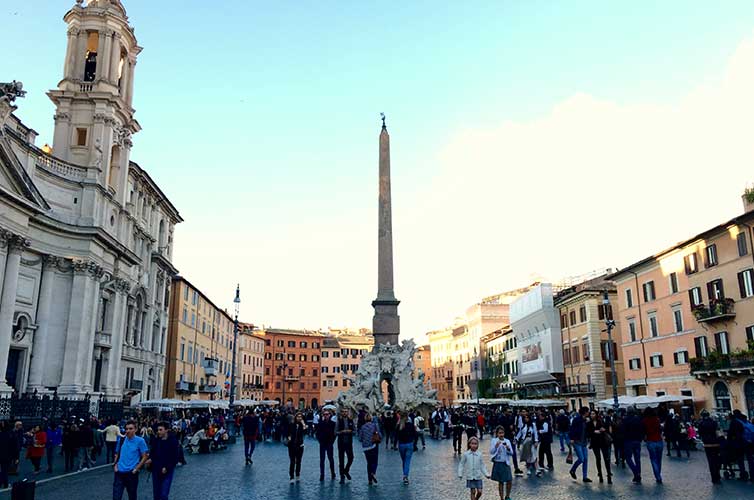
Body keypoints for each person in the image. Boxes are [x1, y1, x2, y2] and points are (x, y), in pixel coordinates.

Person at [113, 420, 149, 500]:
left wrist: (137, 468)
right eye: (126, 429)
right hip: (119, 472)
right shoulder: (121, 439)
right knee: (116, 497)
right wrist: (115, 464)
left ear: (135, 429)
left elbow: (145, 456)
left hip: (131, 473)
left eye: (130, 428)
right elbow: (117, 453)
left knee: (132, 496)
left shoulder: (140, 441)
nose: (128, 431)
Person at [149, 422, 180, 500]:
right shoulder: (156, 441)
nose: (158, 431)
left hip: (167, 471)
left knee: (164, 493)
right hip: (156, 469)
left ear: (166, 430)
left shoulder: (173, 441)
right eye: (158, 430)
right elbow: (152, 453)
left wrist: (167, 467)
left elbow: (175, 457)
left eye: (160, 430)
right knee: (156, 493)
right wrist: (150, 460)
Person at [458, 436, 489, 500]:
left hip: (478, 476)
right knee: (473, 491)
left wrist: (486, 474)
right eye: (472, 443)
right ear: (469, 444)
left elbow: (482, 465)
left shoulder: (479, 454)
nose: (474, 445)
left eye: (475, 444)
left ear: (477, 445)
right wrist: (460, 473)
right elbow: (461, 464)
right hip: (470, 476)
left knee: (479, 492)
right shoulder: (466, 454)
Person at [586, 411, 612, 484]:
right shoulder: (589, 423)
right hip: (595, 443)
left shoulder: (601, 421)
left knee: (606, 459)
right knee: (598, 459)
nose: (592, 415)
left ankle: (609, 474)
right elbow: (587, 433)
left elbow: (606, 428)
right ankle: (600, 474)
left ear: (596, 414)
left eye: (593, 414)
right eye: (591, 414)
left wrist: (603, 430)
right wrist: (594, 432)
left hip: (603, 442)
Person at [697, 410, 721, 484]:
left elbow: (700, 433)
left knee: (711, 461)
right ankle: (718, 475)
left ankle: (714, 477)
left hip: (707, 444)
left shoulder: (701, 423)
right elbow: (718, 431)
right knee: (717, 459)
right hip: (716, 443)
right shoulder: (714, 422)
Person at [489, 426, 513, 500]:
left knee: (509, 480)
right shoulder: (494, 440)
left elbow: (511, 453)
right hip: (498, 463)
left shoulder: (507, 441)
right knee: (501, 481)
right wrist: (496, 446)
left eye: (502, 433)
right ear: (497, 434)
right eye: (499, 433)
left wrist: (508, 449)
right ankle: (501, 497)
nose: (501, 435)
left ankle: (507, 496)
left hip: (505, 463)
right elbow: (491, 451)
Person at [569, 406, 592, 483]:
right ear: (585, 412)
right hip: (577, 441)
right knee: (581, 459)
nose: (589, 413)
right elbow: (572, 429)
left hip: (584, 442)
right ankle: (573, 470)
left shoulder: (587, 420)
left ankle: (585, 477)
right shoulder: (577, 419)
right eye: (588, 411)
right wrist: (571, 438)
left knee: (585, 459)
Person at [621, 407, 644, 483]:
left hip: (628, 441)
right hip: (637, 441)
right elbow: (641, 429)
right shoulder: (638, 419)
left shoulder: (625, 420)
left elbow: (622, 431)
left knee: (628, 458)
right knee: (637, 459)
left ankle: (636, 473)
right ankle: (638, 474)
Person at [357, 413, 381, 485]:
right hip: (373, 445)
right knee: (375, 461)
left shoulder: (362, 427)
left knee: (369, 463)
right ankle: (373, 473)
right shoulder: (374, 426)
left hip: (366, 448)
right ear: (371, 418)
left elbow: (360, 438)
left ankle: (369, 480)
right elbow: (380, 435)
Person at [642, 407, 664, 484]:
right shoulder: (657, 419)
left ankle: (658, 476)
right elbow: (660, 429)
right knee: (659, 459)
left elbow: (644, 431)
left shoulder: (645, 421)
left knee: (653, 459)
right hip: (659, 440)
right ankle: (658, 474)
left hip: (650, 441)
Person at [336, 408, 355, 484]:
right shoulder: (339, 421)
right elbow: (335, 432)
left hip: (349, 442)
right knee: (341, 460)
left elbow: (355, 431)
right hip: (341, 442)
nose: (344, 413)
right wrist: (342, 432)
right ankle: (342, 477)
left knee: (351, 458)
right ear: (341, 413)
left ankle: (346, 470)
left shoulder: (351, 421)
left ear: (348, 412)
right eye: (343, 412)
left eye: (346, 412)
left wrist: (351, 431)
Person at [316, 409, 336, 481]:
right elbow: (317, 433)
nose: (326, 415)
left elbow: (334, 434)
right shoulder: (320, 423)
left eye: (327, 414)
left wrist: (332, 442)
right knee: (322, 460)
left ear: (330, 415)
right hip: (322, 443)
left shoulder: (333, 424)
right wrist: (320, 441)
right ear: (323, 415)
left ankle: (333, 473)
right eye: (324, 414)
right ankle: (322, 474)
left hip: (329, 443)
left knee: (331, 459)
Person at [396, 414, 417, 484]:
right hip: (409, 444)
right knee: (407, 461)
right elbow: (415, 434)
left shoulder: (399, 426)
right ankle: (405, 476)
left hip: (401, 445)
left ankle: (405, 475)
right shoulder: (410, 425)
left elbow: (396, 435)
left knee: (404, 460)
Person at [287, 412, 307, 483]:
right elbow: (287, 432)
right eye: (298, 417)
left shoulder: (302, 426)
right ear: (295, 417)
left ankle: (297, 474)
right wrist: (288, 437)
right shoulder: (291, 425)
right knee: (292, 462)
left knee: (298, 461)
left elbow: (305, 432)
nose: (299, 418)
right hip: (292, 445)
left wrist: (303, 424)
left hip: (300, 445)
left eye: (300, 417)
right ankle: (291, 477)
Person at [0, 421, 18, 489]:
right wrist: (16, 457)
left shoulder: (1, 434)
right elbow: (15, 447)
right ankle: (4, 483)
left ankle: (6, 484)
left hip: (2, 454)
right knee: (5, 470)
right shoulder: (11, 434)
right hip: (8, 456)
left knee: (3, 470)